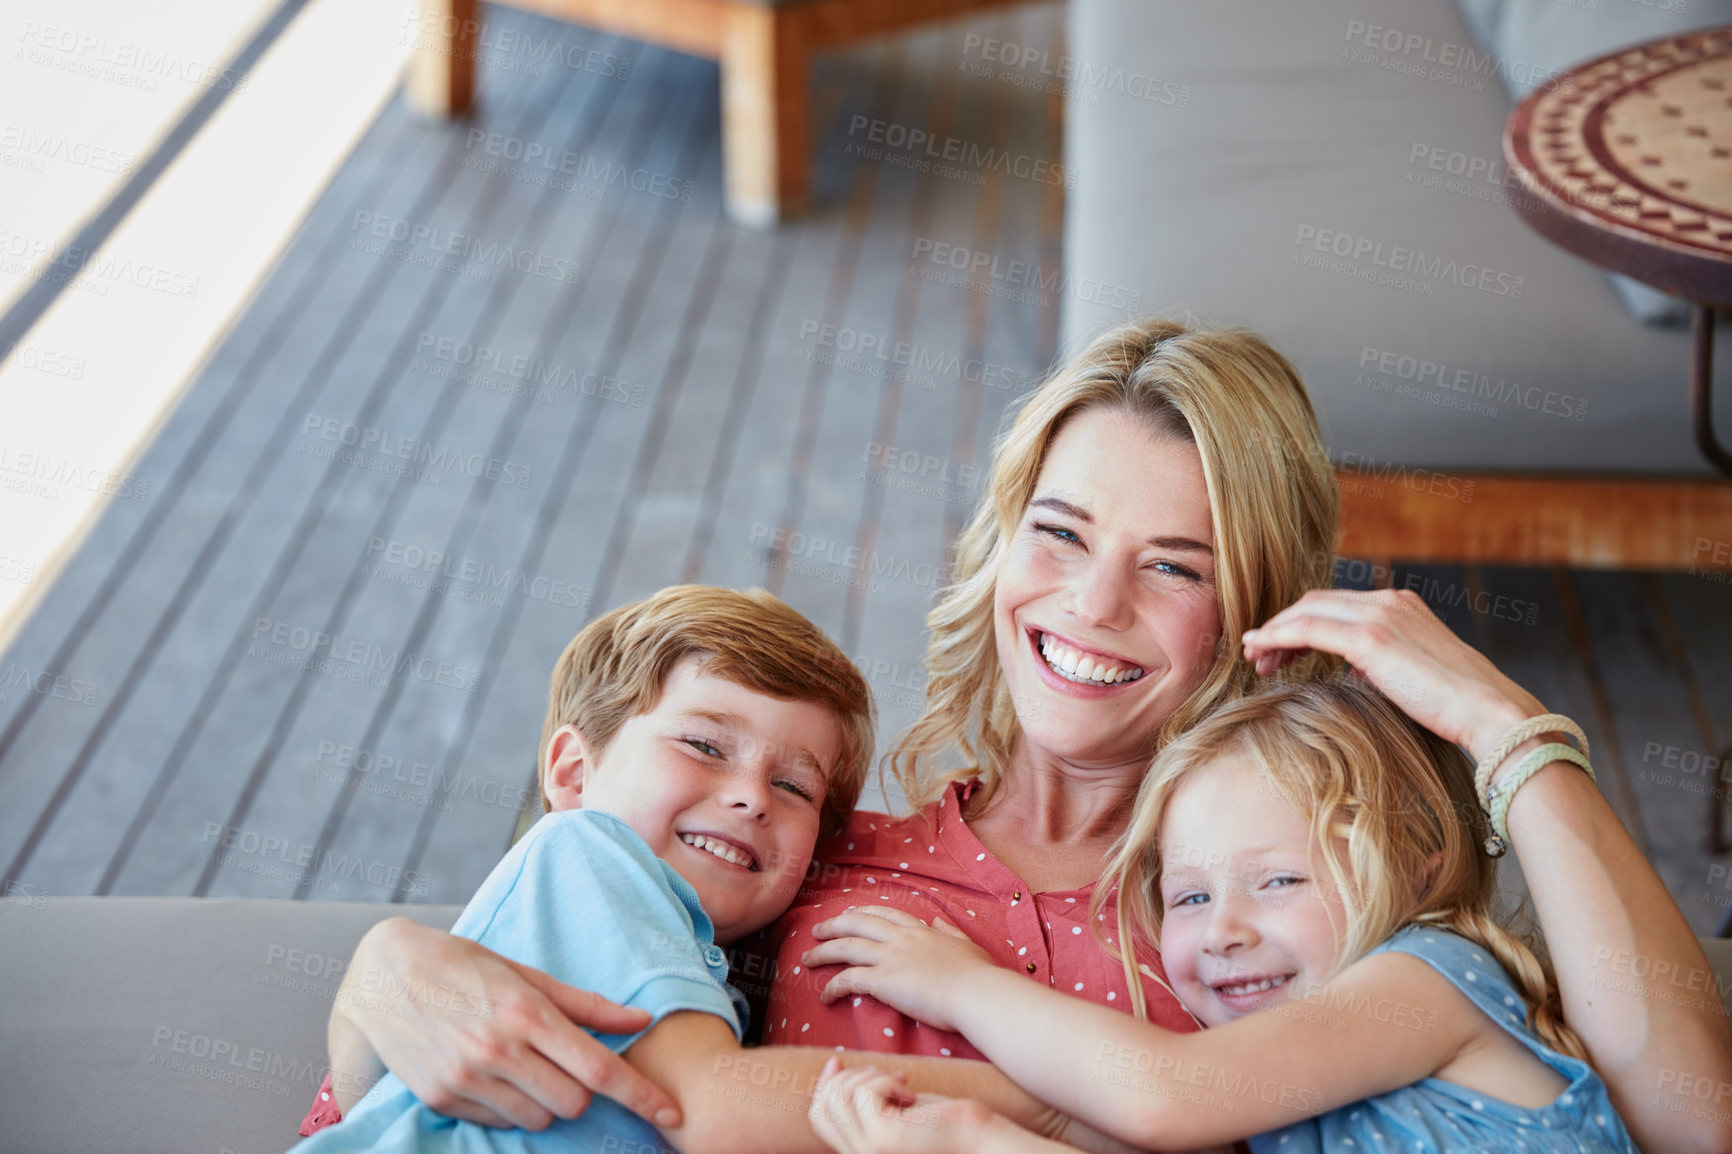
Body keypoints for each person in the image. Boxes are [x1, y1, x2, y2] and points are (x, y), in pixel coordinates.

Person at [303, 319, 1732, 1153]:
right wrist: (382, 974)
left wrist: (1507, 725)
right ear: (999, 554)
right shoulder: (818, 851)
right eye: (1060, 533)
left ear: (1258, 609)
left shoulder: (1284, 903)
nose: (1092, 604)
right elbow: (533, 1050)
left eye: (1175, 564)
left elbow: (1686, 1113)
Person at [296, 585, 1113, 1154]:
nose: (751, 797)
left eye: (794, 787)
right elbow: (710, 1108)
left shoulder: (718, 984)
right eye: (703, 746)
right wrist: (1045, 1107)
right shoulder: (585, 859)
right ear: (575, 775)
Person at [801, 676, 1639, 1153]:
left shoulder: (1430, 977)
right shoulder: (1291, 1088)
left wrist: (960, 991)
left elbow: (1162, 1095)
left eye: (1277, 882)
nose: (1223, 930)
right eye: (1191, 897)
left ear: (1418, 875)